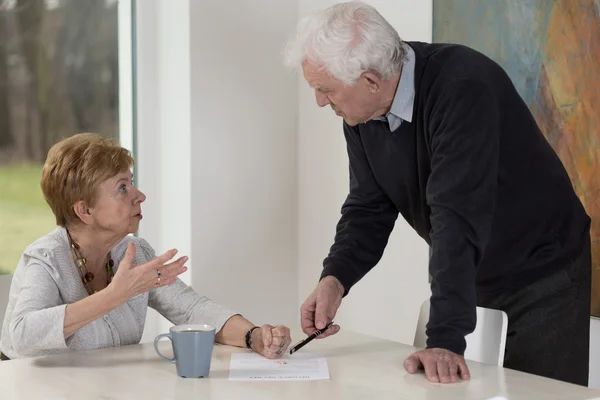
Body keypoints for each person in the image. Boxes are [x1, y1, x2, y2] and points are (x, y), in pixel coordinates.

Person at [283, 1, 591, 386]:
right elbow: (368, 208)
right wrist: (336, 278)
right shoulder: (362, 114)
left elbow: (455, 214)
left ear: (371, 80)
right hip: (473, 266)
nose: (320, 101)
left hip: (543, 268)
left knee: (541, 395)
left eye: (325, 90)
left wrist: (444, 338)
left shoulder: (462, 87)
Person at [0, 133, 291, 360]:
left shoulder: (134, 252)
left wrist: (254, 336)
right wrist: (115, 295)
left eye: (132, 183)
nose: (140, 195)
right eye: (122, 188)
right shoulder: (46, 258)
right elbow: (23, 335)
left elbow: (190, 310)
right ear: (84, 211)